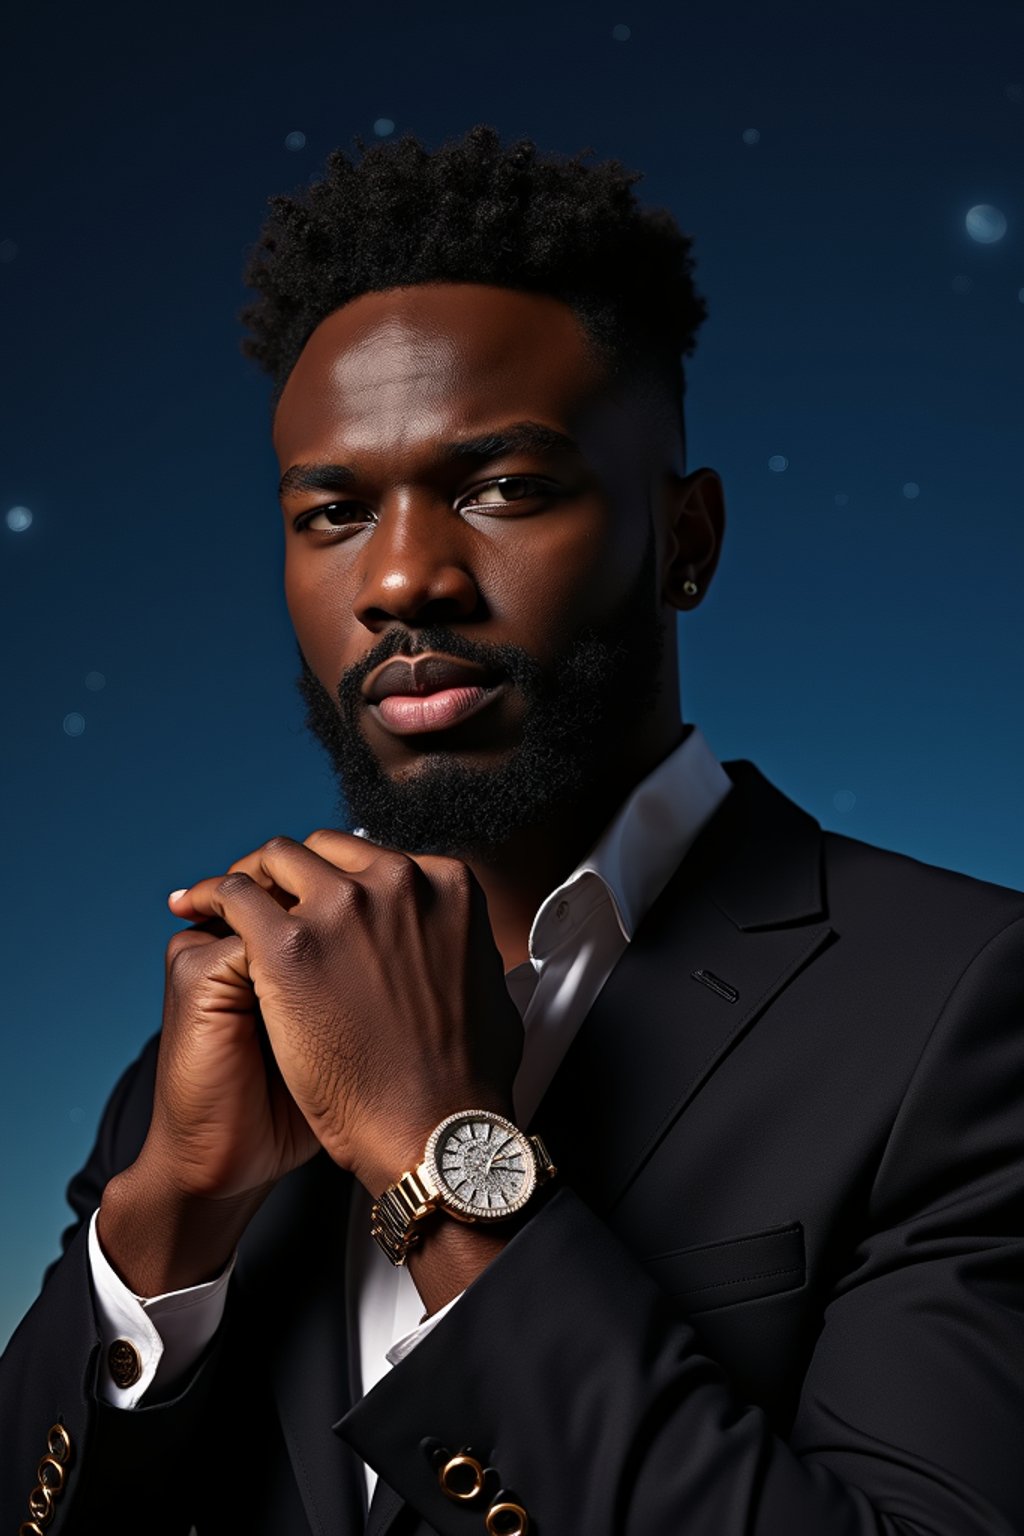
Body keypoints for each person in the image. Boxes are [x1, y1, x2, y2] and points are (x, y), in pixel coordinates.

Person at [2, 123, 1023, 1536]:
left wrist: (443, 1160)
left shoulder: (965, 1003)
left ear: (688, 541)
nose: (405, 578)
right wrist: (165, 1220)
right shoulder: (209, 1051)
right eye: (335, 511)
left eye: (505, 489)